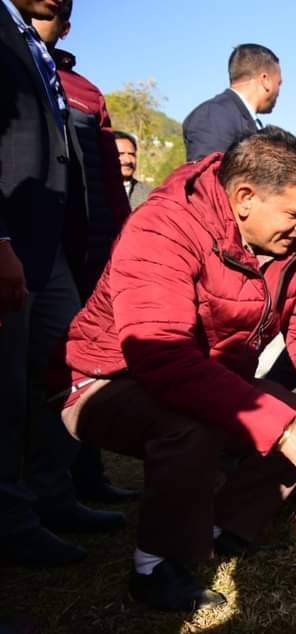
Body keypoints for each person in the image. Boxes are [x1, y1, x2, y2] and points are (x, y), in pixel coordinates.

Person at [55, 127, 296, 611]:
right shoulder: (163, 227)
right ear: (245, 199)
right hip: (109, 380)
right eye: (295, 214)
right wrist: (282, 432)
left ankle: (222, 527)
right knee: (199, 422)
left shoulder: (293, 252)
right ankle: (154, 567)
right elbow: (163, 358)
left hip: (211, 382)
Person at [1, 0, 124, 569]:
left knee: (66, 367)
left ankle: (52, 495)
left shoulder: (45, 57)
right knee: (7, 389)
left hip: (53, 249)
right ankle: (12, 519)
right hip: (10, 240)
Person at [33, 0, 139, 505]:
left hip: (82, 253)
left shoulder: (85, 93)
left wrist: (120, 244)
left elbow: (107, 182)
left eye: (54, 14)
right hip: (24, 243)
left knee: (78, 363)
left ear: (68, 25)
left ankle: (71, 486)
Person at [182, 43, 280, 162]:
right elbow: (207, 171)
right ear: (265, 80)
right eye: (279, 83)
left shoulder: (245, 120)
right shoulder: (214, 115)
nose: (278, 91)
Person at [115, 131, 150, 209]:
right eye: (120, 154)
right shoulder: (93, 192)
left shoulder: (149, 196)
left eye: (132, 154)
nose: (128, 160)